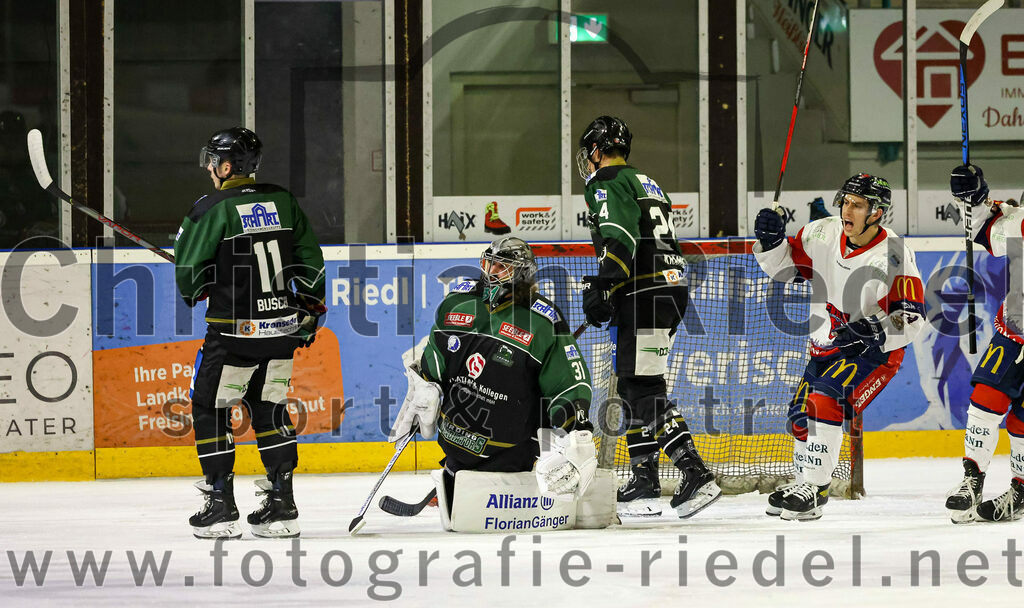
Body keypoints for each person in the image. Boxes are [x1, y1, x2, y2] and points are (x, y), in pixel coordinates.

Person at [389, 236, 614, 531]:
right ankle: (455, 472)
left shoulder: (543, 321)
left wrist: (579, 433)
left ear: (521, 273)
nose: (491, 272)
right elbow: (435, 359)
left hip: (512, 455)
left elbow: (569, 385)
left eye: (502, 267)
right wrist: (422, 383)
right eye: (489, 264)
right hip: (454, 446)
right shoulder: (458, 302)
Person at [175, 127, 326, 539]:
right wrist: (312, 308)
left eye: (212, 162)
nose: (209, 168)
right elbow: (310, 260)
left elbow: (190, 281)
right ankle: (282, 505)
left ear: (226, 166)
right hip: (280, 332)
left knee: (211, 407)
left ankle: (220, 504)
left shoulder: (211, 207)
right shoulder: (283, 200)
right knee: (269, 407)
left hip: (233, 336)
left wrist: (204, 278)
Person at [753, 174, 925, 520]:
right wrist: (771, 242)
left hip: (874, 353)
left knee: (825, 398)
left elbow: (913, 317)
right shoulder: (823, 232)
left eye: (858, 205)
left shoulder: (894, 254)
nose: (848, 209)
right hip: (826, 345)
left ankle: (816, 489)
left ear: (877, 212)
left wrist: (870, 328)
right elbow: (787, 269)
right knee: (800, 418)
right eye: (846, 201)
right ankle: (804, 483)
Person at [576, 115, 721, 519]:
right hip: (663, 289)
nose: (588, 162)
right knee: (630, 382)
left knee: (643, 388)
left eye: (590, 154)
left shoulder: (607, 182)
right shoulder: (647, 181)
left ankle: (696, 473)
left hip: (646, 292)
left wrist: (606, 283)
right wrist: (613, 287)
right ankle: (645, 477)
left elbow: (620, 237)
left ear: (596, 151)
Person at [944, 164, 1024, 523]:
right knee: (984, 401)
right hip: (1014, 334)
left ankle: (1021, 490)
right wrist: (973, 196)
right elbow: (984, 231)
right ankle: (971, 481)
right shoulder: (1020, 224)